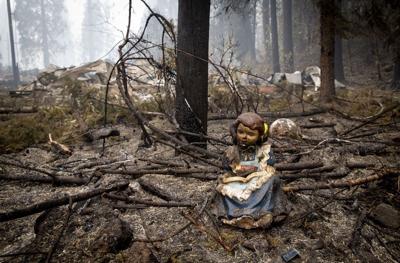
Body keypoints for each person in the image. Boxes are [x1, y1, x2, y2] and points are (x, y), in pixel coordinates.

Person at [212, 112, 290, 229]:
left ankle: (264, 212)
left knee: (274, 180)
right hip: (238, 182)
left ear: (260, 136)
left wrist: (261, 169)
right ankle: (233, 213)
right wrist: (229, 174)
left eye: (250, 134)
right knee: (222, 187)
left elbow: (270, 165)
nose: (244, 136)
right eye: (241, 132)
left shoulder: (264, 151)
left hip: (257, 182)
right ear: (235, 132)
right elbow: (226, 167)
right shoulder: (231, 151)